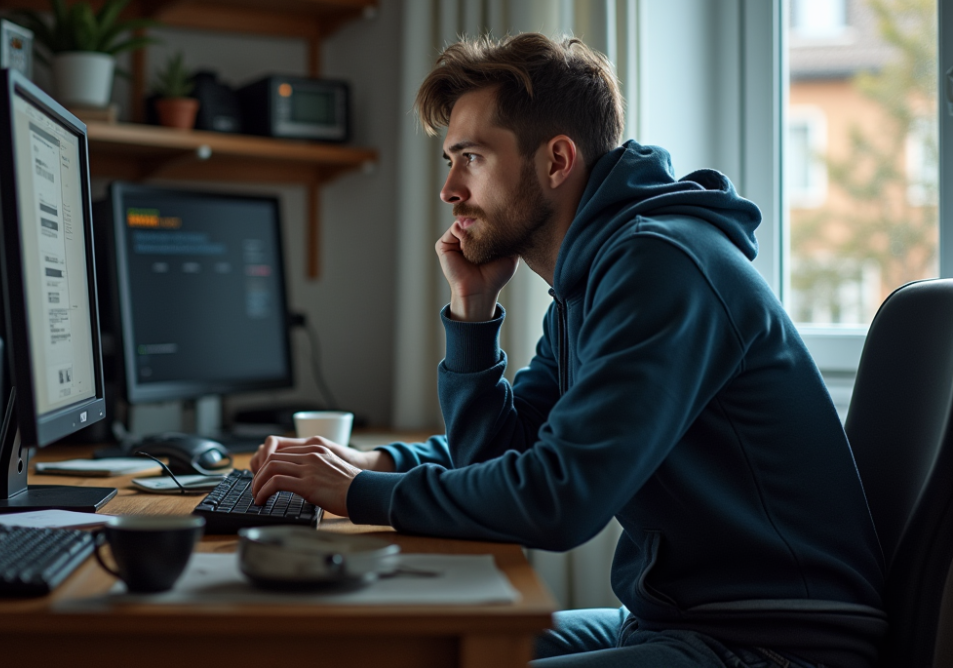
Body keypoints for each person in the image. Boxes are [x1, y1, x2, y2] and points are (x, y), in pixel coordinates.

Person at [249, 33, 886, 667]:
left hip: (782, 646)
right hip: (671, 623)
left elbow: (560, 498)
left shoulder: (659, 265)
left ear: (556, 161)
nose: (448, 189)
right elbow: (506, 453)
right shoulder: (592, 278)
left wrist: (359, 491)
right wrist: (471, 316)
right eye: (450, 159)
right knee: (412, 653)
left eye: (471, 157)